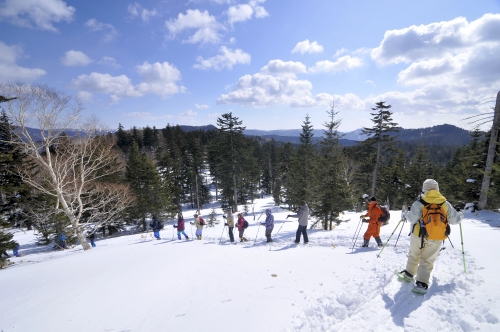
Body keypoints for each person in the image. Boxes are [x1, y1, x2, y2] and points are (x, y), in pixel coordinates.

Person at [398, 179, 463, 293]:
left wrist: (406, 214)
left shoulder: (419, 202)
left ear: (424, 189)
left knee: (414, 254)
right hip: (436, 236)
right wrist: (460, 215)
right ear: (437, 189)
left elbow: (412, 219)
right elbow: (455, 220)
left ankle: (408, 274)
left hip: (418, 234)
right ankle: (421, 284)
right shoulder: (444, 203)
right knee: (427, 260)